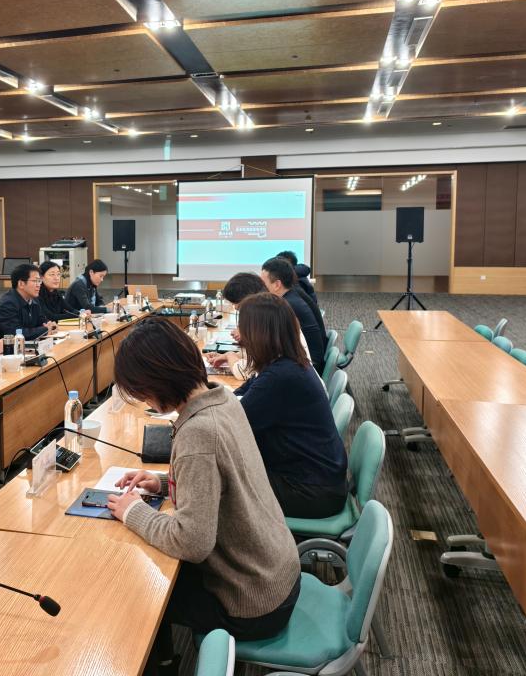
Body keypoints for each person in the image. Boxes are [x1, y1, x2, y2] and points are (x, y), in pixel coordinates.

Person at [105, 318, 300, 674]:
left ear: (156, 382)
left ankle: (160, 666)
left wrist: (133, 511)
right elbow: (223, 480)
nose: (145, 399)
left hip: (253, 600)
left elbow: (192, 542)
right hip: (277, 572)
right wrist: (162, 482)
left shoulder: (198, 432)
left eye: (143, 391)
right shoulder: (221, 397)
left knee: (136, 589)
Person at [233, 293, 347, 518]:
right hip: (317, 479)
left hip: (309, 491)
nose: (241, 337)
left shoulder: (281, 376)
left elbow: (233, 425)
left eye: (243, 329)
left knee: (222, 485)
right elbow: (243, 394)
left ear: (258, 333)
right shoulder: (287, 361)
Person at [212, 272, 311, 376]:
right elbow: (257, 358)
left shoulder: (268, 321)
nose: (238, 310)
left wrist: (230, 356)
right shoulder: (273, 311)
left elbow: (245, 372)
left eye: (240, 307)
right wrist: (233, 356)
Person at [261, 257, 326, 372]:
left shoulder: (287, 306)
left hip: (308, 366)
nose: (261, 288)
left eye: (264, 284)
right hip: (308, 361)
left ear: (277, 285)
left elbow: (272, 346)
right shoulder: (293, 294)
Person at [0, 263, 58, 341]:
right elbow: (16, 333)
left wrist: (51, 325)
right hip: (8, 347)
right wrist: (45, 330)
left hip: (30, 344)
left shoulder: (34, 299)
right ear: (21, 284)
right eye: (35, 281)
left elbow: (41, 320)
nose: (39, 285)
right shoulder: (8, 303)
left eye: (39, 281)